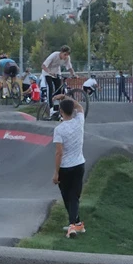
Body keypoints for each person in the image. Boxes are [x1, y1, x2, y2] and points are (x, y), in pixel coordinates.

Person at [51, 93, 87, 239]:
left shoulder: (59, 129)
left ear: (60, 111)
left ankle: (72, 226)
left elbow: (59, 153)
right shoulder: (79, 121)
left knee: (68, 196)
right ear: (73, 110)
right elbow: (79, 106)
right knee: (74, 196)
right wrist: (65, 97)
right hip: (79, 164)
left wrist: (56, 173)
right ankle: (77, 223)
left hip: (65, 167)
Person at [41, 45, 77, 117]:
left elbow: (69, 67)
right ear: (61, 52)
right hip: (47, 73)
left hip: (57, 73)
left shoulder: (67, 58)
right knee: (50, 87)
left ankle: (57, 109)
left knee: (59, 91)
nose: (66, 56)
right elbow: (43, 66)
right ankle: (51, 109)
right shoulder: (54, 55)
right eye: (65, 54)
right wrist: (50, 72)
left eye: (67, 55)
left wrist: (73, 74)